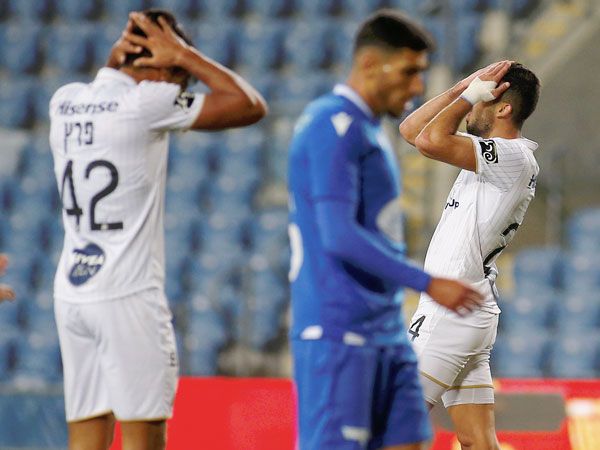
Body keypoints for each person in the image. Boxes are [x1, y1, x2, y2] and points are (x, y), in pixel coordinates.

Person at [49, 9, 267, 450]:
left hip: (72, 291)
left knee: (85, 436)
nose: (180, 92)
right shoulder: (146, 103)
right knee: (143, 437)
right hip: (128, 294)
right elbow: (250, 105)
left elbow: (111, 81)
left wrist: (119, 56)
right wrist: (185, 55)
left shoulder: (64, 100)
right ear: (163, 69)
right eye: (181, 81)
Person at [287, 10, 483, 450]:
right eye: (410, 72)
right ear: (370, 64)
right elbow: (337, 234)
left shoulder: (368, 130)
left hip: (385, 328)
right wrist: (427, 282)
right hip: (338, 330)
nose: (416, 87)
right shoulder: (330, 125)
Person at [399, 61, 541, 449]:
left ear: (503, 107)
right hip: (469, 307)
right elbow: (412, 131)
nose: (469, 107)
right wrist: (463, 87)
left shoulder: (512, 157)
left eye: (481, 99)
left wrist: (467, 95)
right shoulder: (487, 155)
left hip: (451, 312)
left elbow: (430, 140)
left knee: (392, 423)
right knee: (477, 441)